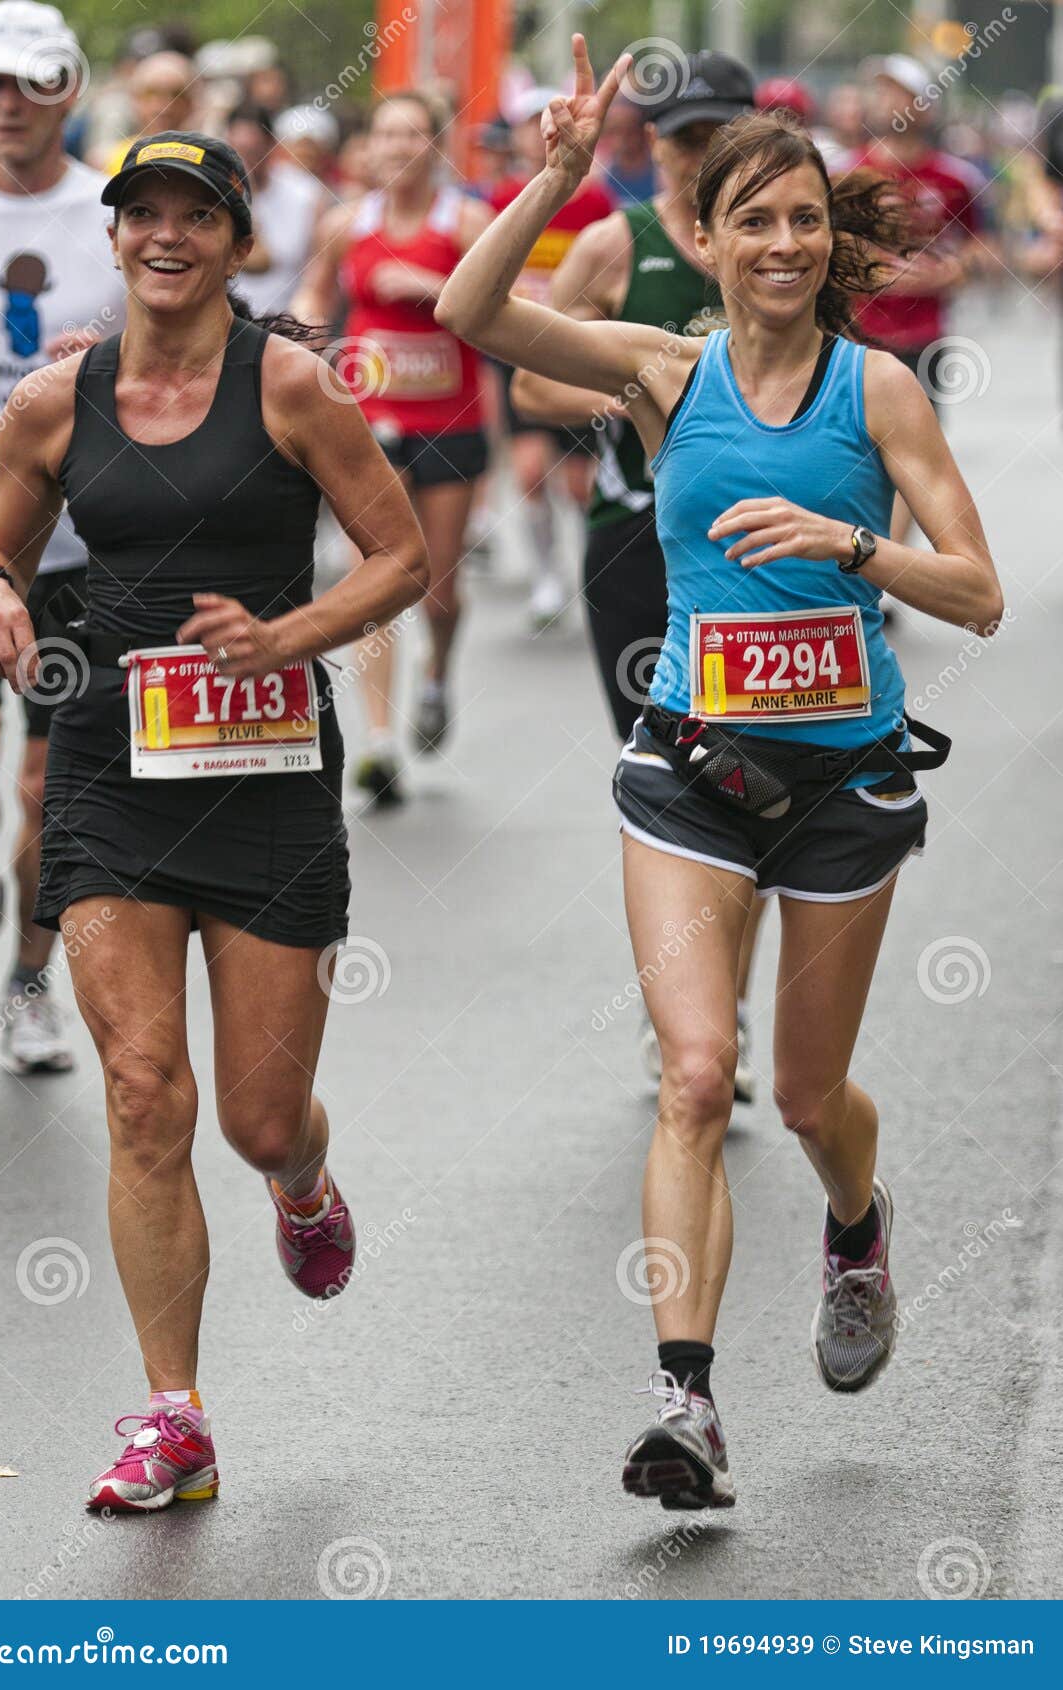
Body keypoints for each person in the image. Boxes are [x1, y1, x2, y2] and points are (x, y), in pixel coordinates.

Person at [437, 36, 1002, 1511]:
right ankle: (683, 1398)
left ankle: (856, 1222)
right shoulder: (657, 369)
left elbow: (979, 594)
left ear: (828, 240)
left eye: (803, 218)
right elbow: (468, 311)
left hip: (844, 780)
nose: (780, 243)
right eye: (750, 219)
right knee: (696, 1075)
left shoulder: (876, 394)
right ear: (701, 235)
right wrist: (555, 179)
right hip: (687, 770)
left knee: (808, 1097)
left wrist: (853, 549)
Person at [0, 131, 428, 1510]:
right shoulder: (56, 399)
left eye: (195, 214)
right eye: (142, 213)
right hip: (109, 757)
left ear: (236, 240)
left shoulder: (290, 384)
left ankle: (301, 1179)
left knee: (256, 1115)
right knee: (144, 1091)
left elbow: (399, 554)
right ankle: (176, 1413)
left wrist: (286, 633)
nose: (166, 234)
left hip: (266, 768)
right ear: (112, 240)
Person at [510, 52, 764, 1097]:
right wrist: (616, 397)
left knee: (757, 782)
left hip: (760, 555)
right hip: (633, 545)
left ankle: (723, 1012)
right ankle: (689, 1019)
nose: (700, 156)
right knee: (675, 781)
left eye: (719, 137)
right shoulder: (620, 244)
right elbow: (527, 378)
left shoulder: (788, 245)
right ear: (650, 144)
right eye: (683, 138)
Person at [0, 1, 125, 1072]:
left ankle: (27, 982)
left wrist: (106, 353)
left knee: (44, 792)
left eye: (27, 84)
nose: (5, 104)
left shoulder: (117, 211)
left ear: (66, 89)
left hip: (84, 545)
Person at [295, 91, 491, 803]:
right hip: (369, 425)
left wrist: (429, 284)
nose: (399, 146)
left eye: (414, 133)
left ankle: (436, 673)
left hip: (450, 422)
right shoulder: (347, 224)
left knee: (437, 589)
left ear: (436, 145)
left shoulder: (465, 221)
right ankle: (379, 741)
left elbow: (503, 307)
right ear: (370, 147)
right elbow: (312, 297)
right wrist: (313, 336)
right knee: (375, 581)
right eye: (387, 133)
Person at [839, 56, 987, 544]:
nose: (890, 102)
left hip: (923, 339)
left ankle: (879, 576)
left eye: (901, 92)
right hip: (854, 337)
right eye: (882, 91)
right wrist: (872, 271)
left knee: (913, 460)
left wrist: (954, 271)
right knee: (853, 456)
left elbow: (982, 247)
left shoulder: (955, 178)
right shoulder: (845, 175)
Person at [490, 87, 616, 629]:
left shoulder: (595, 202)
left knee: (579, 484)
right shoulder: (503, 198)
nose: (536, 133)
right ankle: (547, 577)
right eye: (527, 124)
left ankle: (593, 572)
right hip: (519, 347)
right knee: (528, 473)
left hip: (573, 350)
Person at [225, 102, 327, 317]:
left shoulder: (307, 194)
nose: (243, 162)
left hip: (288, 322)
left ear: (271, 146)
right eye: (236, 151)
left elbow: (317, 269)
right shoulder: (215, 196)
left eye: (252, 152)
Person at [100, 50, 198, 174]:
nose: (164, 107)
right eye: (151, 94)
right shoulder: (110, 162)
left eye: (176, 95)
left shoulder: (208, 162)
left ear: (192, 103)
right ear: (134, 99)